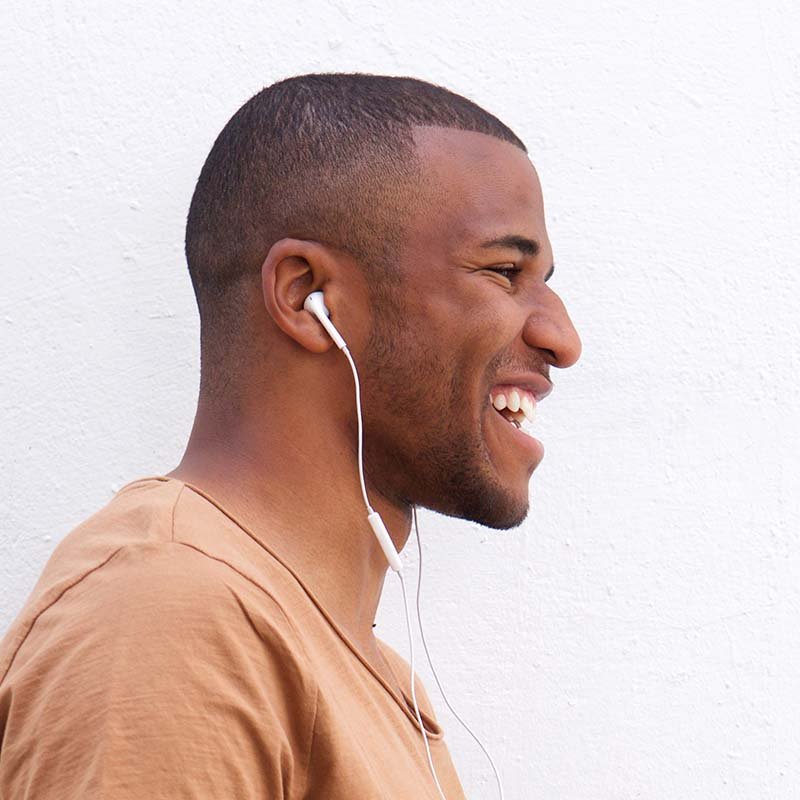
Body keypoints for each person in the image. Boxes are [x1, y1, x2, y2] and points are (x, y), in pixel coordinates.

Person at [0, 73, 581, 798]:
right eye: (503, 271)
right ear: (308, 297)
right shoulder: (171, 612)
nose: (563, 338)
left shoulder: (352, 667)